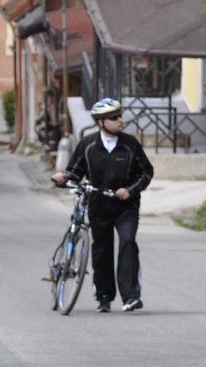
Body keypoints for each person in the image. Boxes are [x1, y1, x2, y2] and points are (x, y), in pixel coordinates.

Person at [51, 99, 153, 313]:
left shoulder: (130, 144)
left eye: (120, 116)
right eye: (114, 118)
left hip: (126, 207)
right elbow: (75, 171)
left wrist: (130, 190)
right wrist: (63, 177)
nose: (120, 121)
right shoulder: (87, 145)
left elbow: (146, 172)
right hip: (98, 206)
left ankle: (131, 296)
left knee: (128, 242)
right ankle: (104, 296)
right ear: (100, 122)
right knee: (101, 250)